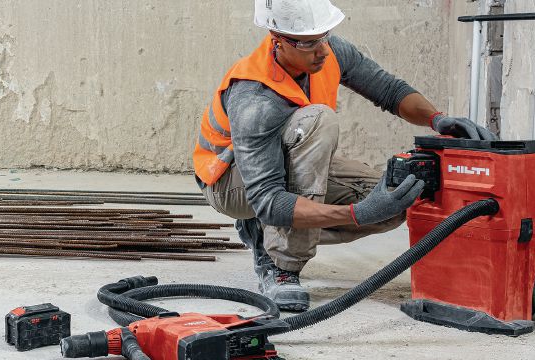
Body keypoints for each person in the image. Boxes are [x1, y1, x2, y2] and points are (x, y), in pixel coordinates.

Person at [193, 0, 496, 312]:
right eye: (310, 43)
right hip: (231, 181)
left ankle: (263, 229)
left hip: (282, 163)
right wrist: (356, 214)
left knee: (393, 200)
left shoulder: (328, 50)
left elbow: (389, 90)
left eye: (325, 36)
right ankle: (282, 267)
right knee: (318, 122)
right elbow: (267, 198)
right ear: (277, 39)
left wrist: (437, 120)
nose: (323, 50)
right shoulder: (253, 98)